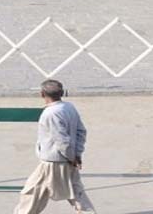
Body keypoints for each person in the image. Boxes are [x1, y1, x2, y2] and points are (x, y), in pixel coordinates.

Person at [13, 79, 96, 214]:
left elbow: (62, 140)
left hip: (52, 163)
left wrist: (72, 157)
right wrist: (76, 155)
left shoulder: (50, 114)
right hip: (67, 160)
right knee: (76, 193)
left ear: (42, 94)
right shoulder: (69, 107)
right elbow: (81, 131)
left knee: (31, 194)